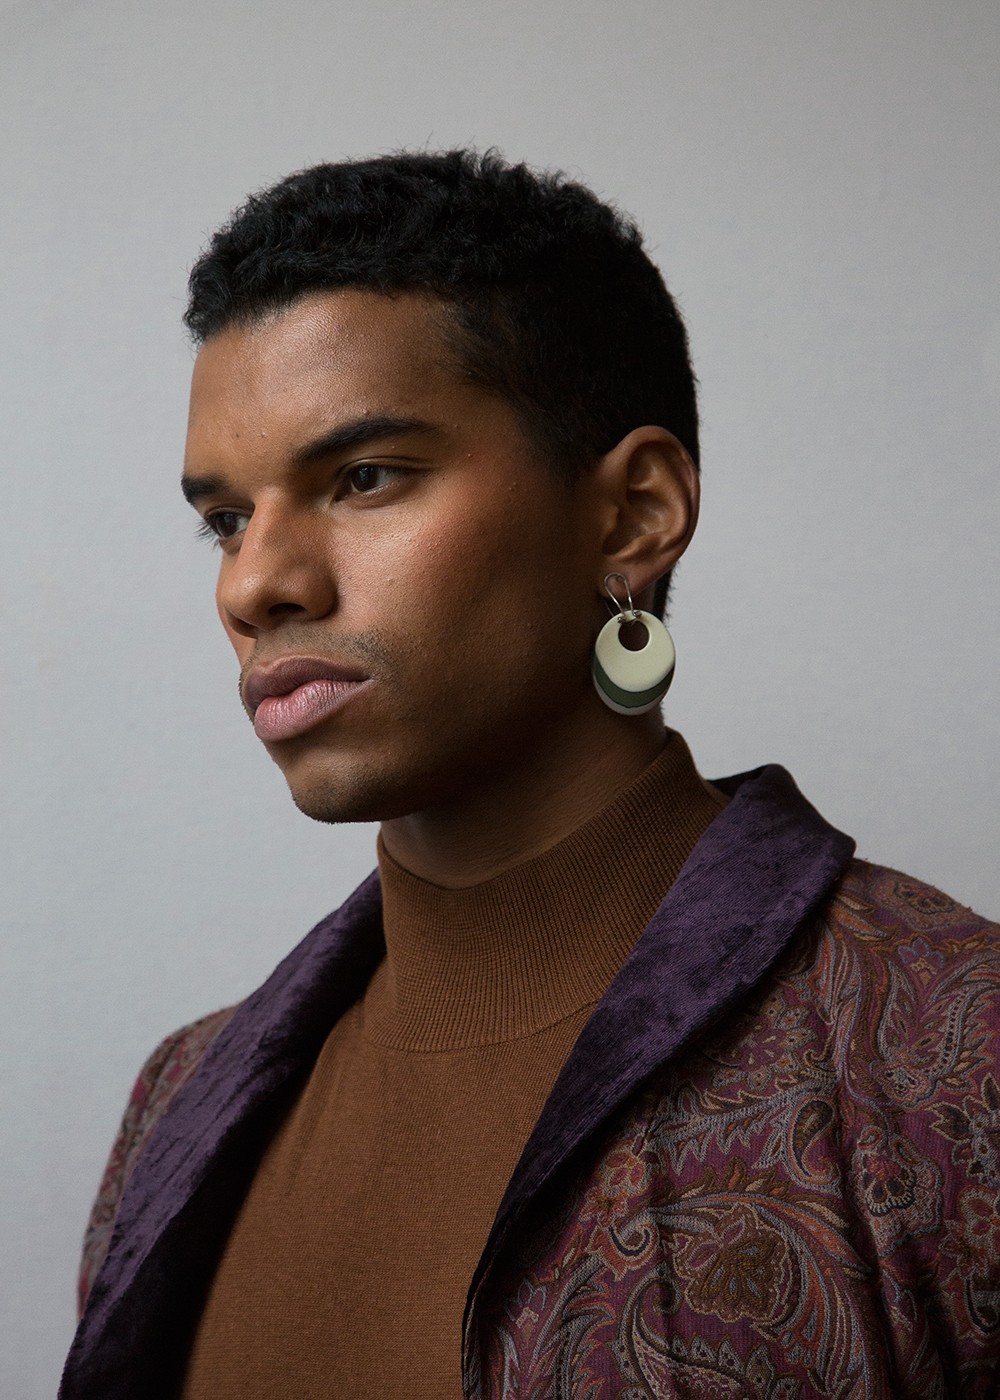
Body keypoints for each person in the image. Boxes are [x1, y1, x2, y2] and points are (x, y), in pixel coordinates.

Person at [61, 150, 1000, 1400]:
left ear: (632, 514)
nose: (254, 583)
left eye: (363, 477)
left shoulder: (954, 1058)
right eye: (227, 518)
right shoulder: (177, 1109)